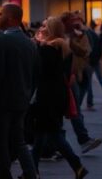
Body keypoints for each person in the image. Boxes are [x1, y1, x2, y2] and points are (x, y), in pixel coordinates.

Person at [0, 4, 39, 179]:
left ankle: (5, 176)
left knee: (1, 144)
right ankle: (30, 173)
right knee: (18, 141)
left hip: (1, 102)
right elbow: (36, 74)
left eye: (2, 14)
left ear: (12, 18)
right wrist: (28, 94)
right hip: (21, 100)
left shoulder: (1, 41)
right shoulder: (29, 42)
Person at [30, 18, 88, 179]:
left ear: (50, 30)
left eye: (43, 26)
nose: (40, 29)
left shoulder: (47, 49)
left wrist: (37, 44)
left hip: (46, 98)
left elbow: (40, 73)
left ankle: (77, 165)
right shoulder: (64, 47)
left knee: (51, 135)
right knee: (42, 136)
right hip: (58, 96)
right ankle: (31, 171)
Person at [60, 12, 102, 153]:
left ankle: (60, 142)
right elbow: (69, 53)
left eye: (77, 20)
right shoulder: (63, 37)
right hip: (71, 76)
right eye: (72, 20)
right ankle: (83, 139)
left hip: (83, 73)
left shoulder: (81, 34)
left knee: (75, 107)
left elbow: (86, 51)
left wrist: (78, 38)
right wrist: (73, 41)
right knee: (75, 110)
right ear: (65, 22)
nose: (75, 22)